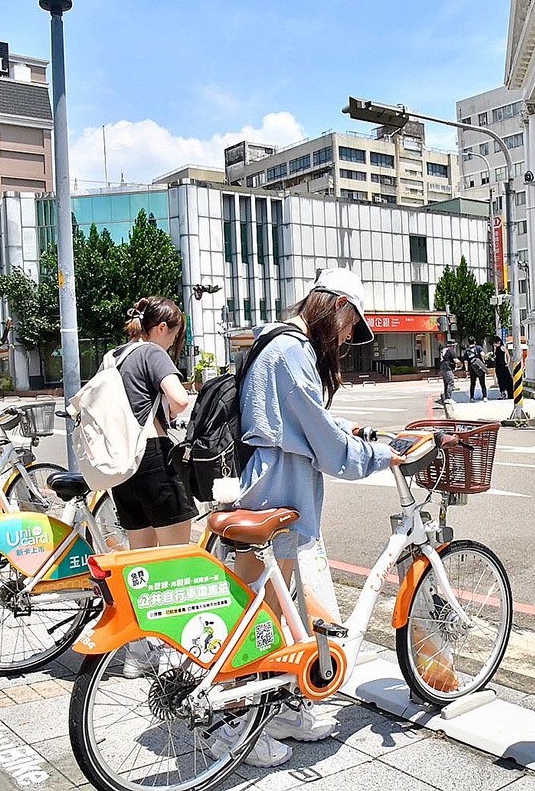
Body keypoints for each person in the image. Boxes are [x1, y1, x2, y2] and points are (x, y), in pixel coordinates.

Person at [235, 267, 399, 767]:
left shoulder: (280, 342)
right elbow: (327, 449)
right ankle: (236, 729)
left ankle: (280, 711)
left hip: (275, 484)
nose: (350, 336)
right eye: (352, 325)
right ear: (338, 308)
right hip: (277, 489)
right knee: (255, 615)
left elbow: (305, 419)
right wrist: (380, 456)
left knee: (274, 610)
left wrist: (341, 425)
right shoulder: (292, 351)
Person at [109, 296, 195, 550]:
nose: (170, 344)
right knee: (177, 555)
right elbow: (179, 400)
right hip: (153, 458)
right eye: (173, 336)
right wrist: (173, 410)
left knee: (142, 559)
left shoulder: (115, 356)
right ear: (161, 328)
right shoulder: (152, 351)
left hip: (121, 464)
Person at [466, 336, 488, 401]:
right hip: (480, 368)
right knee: (482, 383)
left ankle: (472, 397)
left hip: (472, 369)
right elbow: (483, 355)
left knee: (472, 383)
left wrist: (467, 370)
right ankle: (484, 397)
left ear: (468, 343)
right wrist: (483, 361)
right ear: (474, 342)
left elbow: (466, 361)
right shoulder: (478, 348)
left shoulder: (467, 351)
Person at [493, 335, 514, 400]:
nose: (494, 344)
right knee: (500, 380)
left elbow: (508, 355)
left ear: (498, 342)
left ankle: (510, 393)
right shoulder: (496, 349)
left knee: (507, 379)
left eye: (495, 343)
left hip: (503, 365)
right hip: (498, 365)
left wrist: (508, 363)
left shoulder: (502, 347)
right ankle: (502, 393)